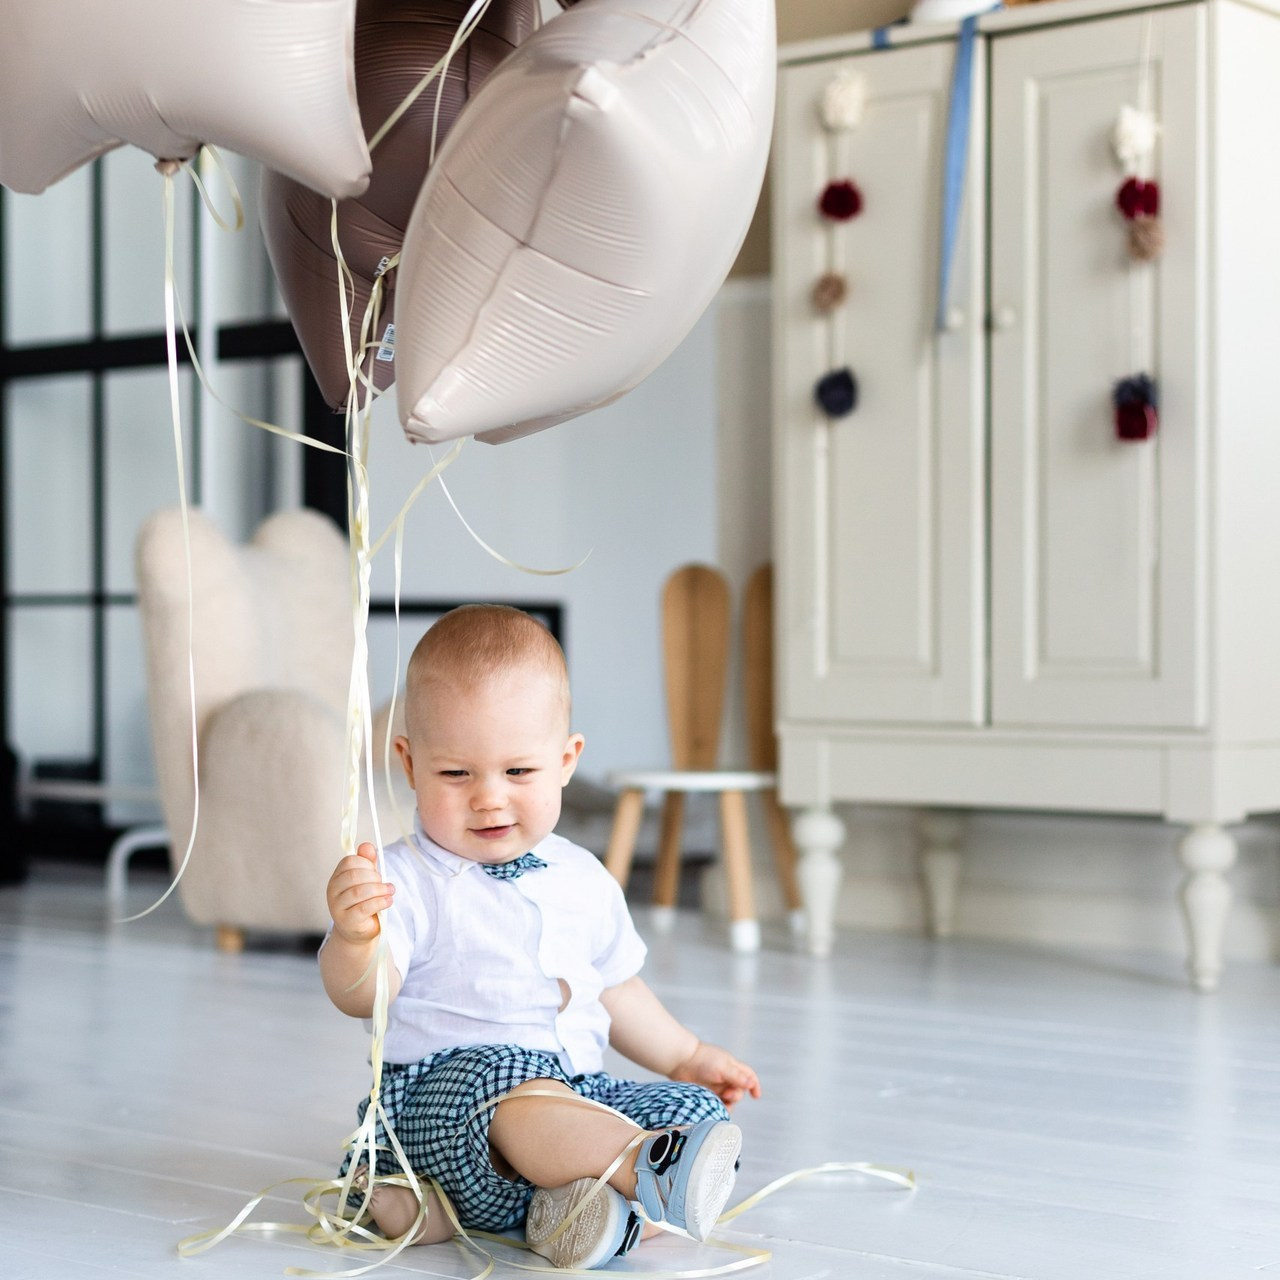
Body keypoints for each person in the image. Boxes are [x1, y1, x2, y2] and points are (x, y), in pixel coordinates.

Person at [322, 604, 760, 1269]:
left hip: (574, 1098)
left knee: (693, 1111)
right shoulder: (406, 880)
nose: (489, 797)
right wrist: (356, 939)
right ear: (410, 765)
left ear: (565, 760)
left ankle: (583, 1211)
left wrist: (684, 1055)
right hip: (451, 1105)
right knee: (511, 1086)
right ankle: (640, 1171)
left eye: (518, 772)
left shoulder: (581, 876)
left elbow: (615, 987)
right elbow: (362, 998)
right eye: (456, 774)